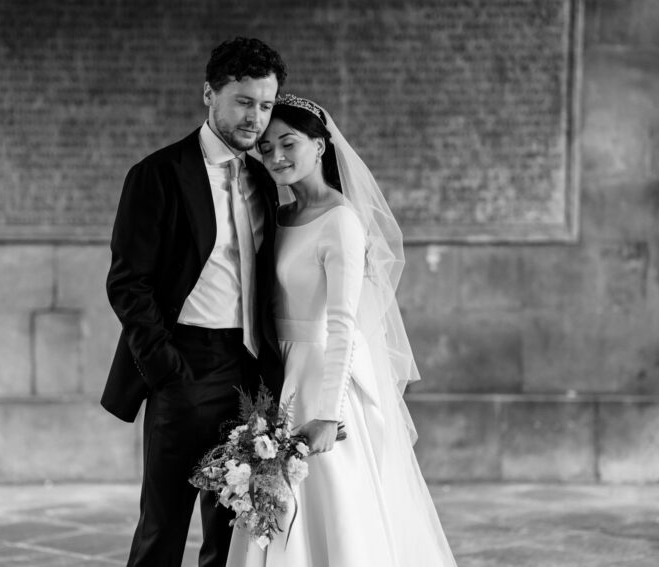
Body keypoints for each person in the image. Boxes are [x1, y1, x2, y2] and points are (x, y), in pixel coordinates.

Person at [226, 94, 458, 566]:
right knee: (276, 508)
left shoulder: (342, 222)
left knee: (330, 505)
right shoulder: (279, 216)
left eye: (288, 143)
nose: (275, 157)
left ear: (320, 145)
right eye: (265, 148)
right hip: (279, 373)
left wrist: (330, 413)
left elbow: (343, 325)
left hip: (324, 377)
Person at [101, 38, 286, 567]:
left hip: (250, 374)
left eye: (267, 105)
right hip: (184, 366)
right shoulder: (156, 175)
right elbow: (126, 282)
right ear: (210, 94)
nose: (257, 117)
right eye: (244, 101)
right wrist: (165, 367)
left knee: (234, 534)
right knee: (163, 528)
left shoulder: (265, 178)